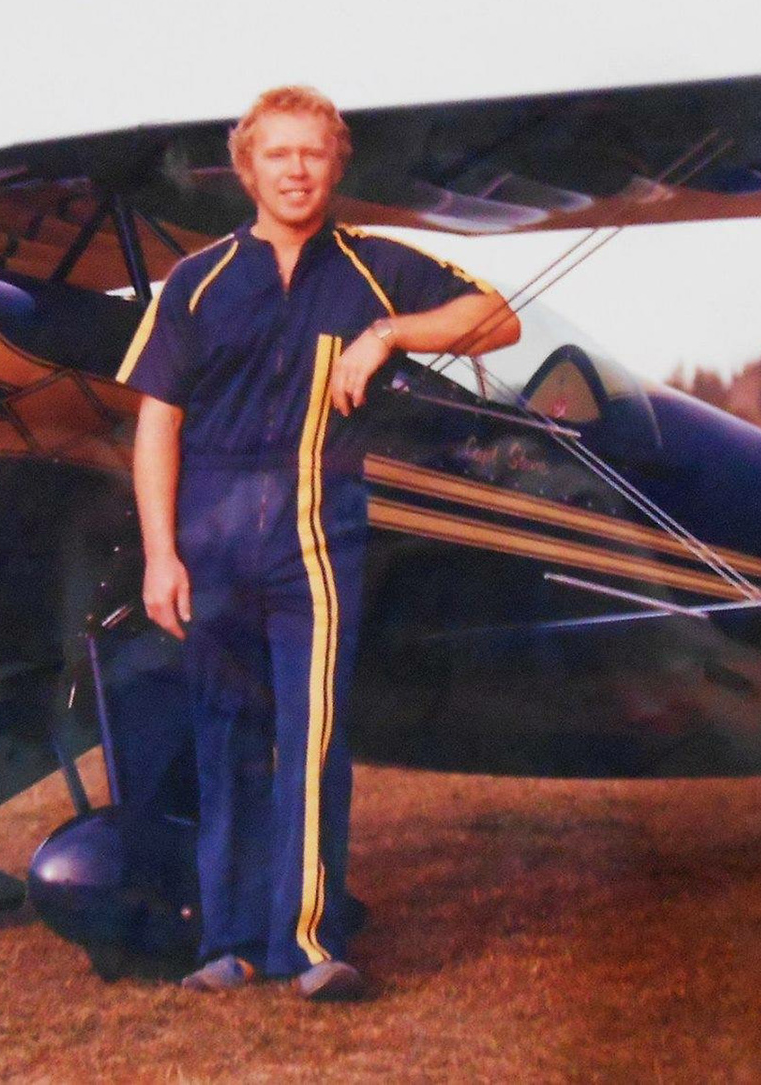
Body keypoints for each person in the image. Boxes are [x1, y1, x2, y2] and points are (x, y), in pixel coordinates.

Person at [115, 86, 520, 1000]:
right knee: (224, 738)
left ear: (336, 166)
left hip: (317, 542)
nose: (295, 170)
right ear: (247, 169)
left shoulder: (373, 268)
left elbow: (497, 315)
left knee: (312, 737)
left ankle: (308, 946)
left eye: (313, 154)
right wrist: (159, 555)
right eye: (277, 155)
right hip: (208, 542)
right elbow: (154, 426)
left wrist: (389, 334)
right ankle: (230, 944)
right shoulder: (198, 281)